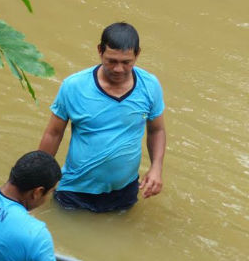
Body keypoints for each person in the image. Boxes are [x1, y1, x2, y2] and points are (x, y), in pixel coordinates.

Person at [38, 22, 167, 212]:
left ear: (137, 54)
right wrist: (39, 179)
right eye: (111, 61)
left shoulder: (150, 86)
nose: (118, 69)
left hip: (125, 191)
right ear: (100, 51)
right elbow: (53, 133)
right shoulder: (74, 86)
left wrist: (156, 167)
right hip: (75, 191)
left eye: (126, 62)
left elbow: (157, 130)